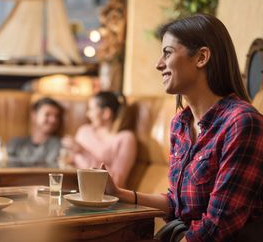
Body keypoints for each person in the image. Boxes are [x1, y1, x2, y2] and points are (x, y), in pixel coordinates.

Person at [104, 14, 263, 241]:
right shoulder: (180, 124)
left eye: (167, 53)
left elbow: (218, 225)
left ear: (201, 57)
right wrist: (119, 194)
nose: (159, 64)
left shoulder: (242, 123)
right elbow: (176, 204)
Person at [62, 91, 136, 188]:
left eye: (91, 109)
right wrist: (65, 160)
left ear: (106, 113)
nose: (88, 114)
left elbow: (117, 182)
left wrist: (83, 152)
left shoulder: (125, 138)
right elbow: (72, 163)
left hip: (103, 197)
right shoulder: (84, 131)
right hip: (74, 189)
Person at [6, 97, 64, 168]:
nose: (53, 120)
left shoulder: (60, 146)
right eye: (47, 114)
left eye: (56, 116)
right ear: (34, 115)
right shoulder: (16, 143)